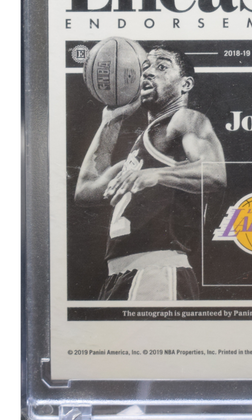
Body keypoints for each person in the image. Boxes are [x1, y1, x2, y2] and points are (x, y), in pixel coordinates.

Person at [75, 45, 226, 301]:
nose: (147, 72)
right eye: (144, 67)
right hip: (117, 277)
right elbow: (85, 191)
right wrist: (110, 120)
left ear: (186, 84)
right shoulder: (136, 158)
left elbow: (215, 172)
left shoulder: (185, 119)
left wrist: (156, 175)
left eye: (161, 66)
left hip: (157, 271)